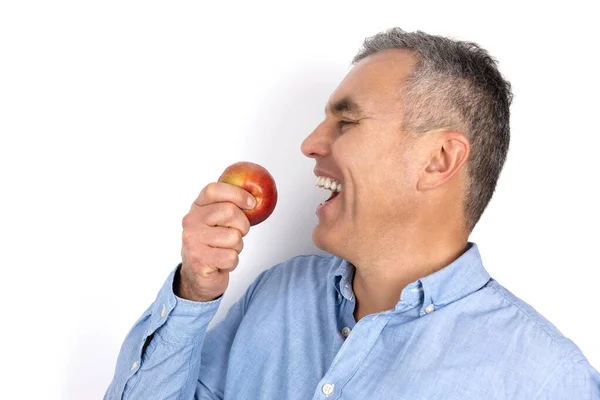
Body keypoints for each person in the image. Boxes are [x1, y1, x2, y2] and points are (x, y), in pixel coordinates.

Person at [105, 28, 600, 399]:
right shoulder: (276, 296)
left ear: (439, 160)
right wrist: (193, 291)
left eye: (346, 121)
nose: (310, 144)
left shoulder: (547, 378)